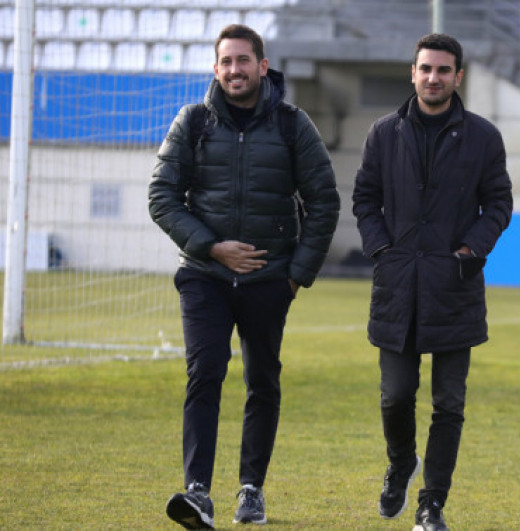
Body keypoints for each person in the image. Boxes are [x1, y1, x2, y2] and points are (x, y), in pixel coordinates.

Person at [149, 24, 340, 529]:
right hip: (204, 277)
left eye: (243, 61)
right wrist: (211, 247)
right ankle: (197, 493)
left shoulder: (293, 124)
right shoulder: (192, 122)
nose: (234, 70)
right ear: (216, 69)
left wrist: (295, 276)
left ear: (262, 65)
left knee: (262, 380)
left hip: (268, 281)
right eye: (225, 62)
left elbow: (324, 202)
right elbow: (161, 197)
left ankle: (251, 489)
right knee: (204, 373)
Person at [352, 33, 513, 531]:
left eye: (444, 70)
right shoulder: (383, 132)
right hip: (397, 285)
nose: (433, 78)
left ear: (458, 76)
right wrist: (382, 249)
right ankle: (401, 461)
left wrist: (470, 249)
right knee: (394, 396)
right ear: (413, 72)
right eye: (426, 69)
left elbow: (499, 205)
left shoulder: (485, 137)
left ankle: (432, 504)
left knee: (449, 404)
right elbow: (364, 199)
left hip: (454, 287)